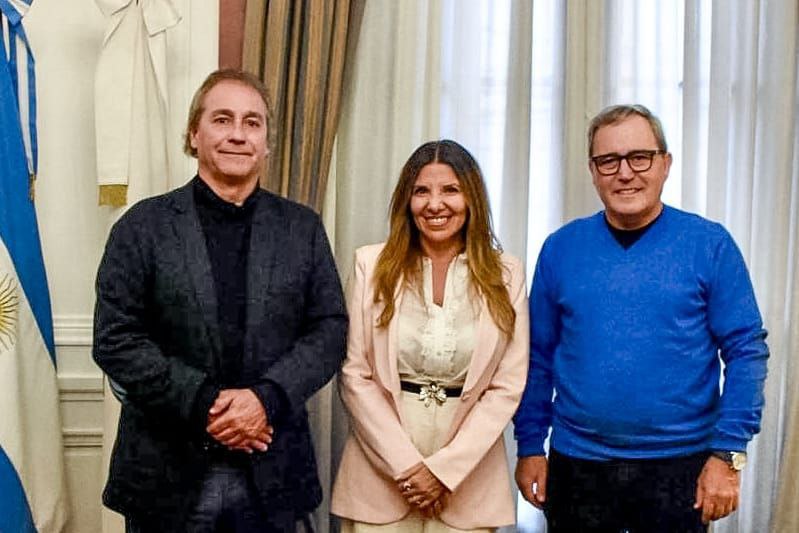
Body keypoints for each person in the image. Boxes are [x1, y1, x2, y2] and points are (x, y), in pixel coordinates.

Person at [93, 69, 348, 532]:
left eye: (252, 123)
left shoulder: (302, 229)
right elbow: (116, 339)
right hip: (166, 475)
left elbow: (329, 330)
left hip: (272, 471)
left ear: (266, 142)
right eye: (222, 119)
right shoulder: (142, 227)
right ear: (194, 134)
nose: (238, 134)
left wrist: (265, 399)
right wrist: (206, 402)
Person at [513, 104, 769, 532]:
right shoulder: (561, 248)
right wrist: (530, 446)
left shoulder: (710, 245)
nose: (625, 173)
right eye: (608, 161)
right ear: (593, 171)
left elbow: (747, 352)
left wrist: (728, 454)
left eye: (639, 157)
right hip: (578, 467)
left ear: (665, 164)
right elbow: (536, 357)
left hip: (681, 467)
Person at [331, 140, 529, 532]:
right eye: (422, 191)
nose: (435, 204)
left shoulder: (506, 274)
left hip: (469, 481)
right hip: (380, 474)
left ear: (472, 198)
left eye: (450, 190)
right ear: (407, 201)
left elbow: (508, 383)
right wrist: (406, 466)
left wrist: (443, 472)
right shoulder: (370, 264)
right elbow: (354, 374)